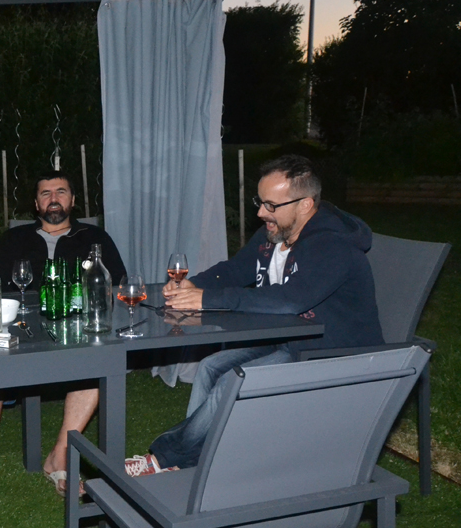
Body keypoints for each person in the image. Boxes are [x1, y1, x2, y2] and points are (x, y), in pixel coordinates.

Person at [126, 155, 384, 476]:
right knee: (210, 367)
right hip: (293, 340)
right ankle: (195, 463)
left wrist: (206, 299)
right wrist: (194, 285)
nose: (261, 213)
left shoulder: (332, 247)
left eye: (271, 205)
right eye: (260, 202)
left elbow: (289, 301)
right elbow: (235, 269)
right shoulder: (274, 233)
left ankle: (165, 459)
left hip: (332, 354)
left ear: (305, 205)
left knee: (232, 381)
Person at [0, 170, 127, 497]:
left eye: (61, 192)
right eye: (45, 193)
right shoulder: (14, 239)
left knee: (96, 360)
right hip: (20, 329)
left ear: (73, 200)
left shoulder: (95, 239)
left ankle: (59, 455)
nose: (53, 199)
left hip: (75, 331)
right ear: (36, 203)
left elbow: (116, 287)